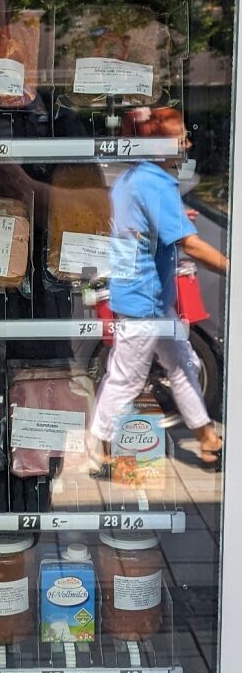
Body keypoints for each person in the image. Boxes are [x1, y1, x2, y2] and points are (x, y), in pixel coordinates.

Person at [90, 107, 228, 465]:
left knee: (181, 363)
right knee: (126, 378)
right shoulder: (154, 182)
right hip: (144, 301)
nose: (188, 141)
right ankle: (98, 446)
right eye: (180, 134)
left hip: (146, 297)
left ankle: (207, 436)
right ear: (155, 143)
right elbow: (190, 243)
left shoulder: (130, 179)